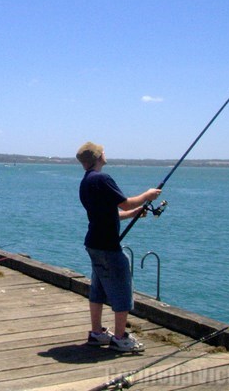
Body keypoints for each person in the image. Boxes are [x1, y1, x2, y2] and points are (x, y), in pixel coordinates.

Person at [76, 141, 161, 353]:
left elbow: (108, 213)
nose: (105, 153)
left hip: (94, 243)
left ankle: (97, 333)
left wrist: (133, 214)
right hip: (108, 246)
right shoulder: (102, 178)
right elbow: (125, 203)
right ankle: (120, 338)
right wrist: (148, 196)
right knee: (123, 291)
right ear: (97, 157)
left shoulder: (86, 181)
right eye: (102, 152)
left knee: (99, 288)